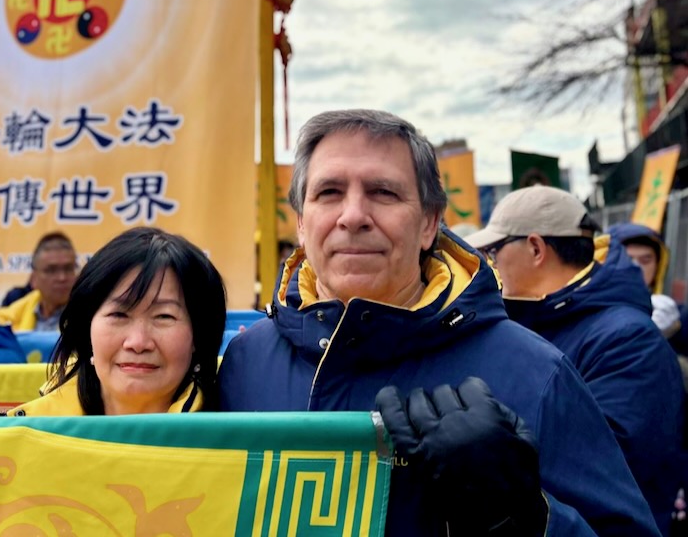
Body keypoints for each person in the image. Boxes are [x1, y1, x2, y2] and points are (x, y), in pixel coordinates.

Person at [218, 109, 660, 536]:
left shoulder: (536, 372)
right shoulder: (244, 361)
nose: (352, 216)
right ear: (300, 221)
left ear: (429, 223)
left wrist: (524, 517)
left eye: (384, 193)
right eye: (328, 192)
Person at [466, 186, 685, 534]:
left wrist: (484, 449)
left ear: (536, 248)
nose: (488, 261)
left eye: (493, 249)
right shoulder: (535, 319)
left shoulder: (627, 339)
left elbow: (606, 466)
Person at [8, 227, 226, 416]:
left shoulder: (236, 448)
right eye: (118, 315)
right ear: (87, 328)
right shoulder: (28, 436)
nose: (138, 342)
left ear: (199, 334)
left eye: (164, 316)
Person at [0, 232, 77, 331]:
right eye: (51, 270)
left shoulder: (89, 318)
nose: (62, 278)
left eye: (68, 269)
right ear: (34, 278)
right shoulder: (10, 318)